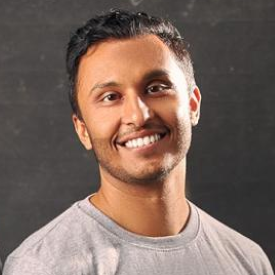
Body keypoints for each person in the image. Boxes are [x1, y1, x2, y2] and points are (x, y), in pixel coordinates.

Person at [3, 9, 274, 275]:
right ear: (82, 129)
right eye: (110, 96)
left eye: (156, 88)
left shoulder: (248, 260)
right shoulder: (45, 266)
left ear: (192, 104)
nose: (138, 115)